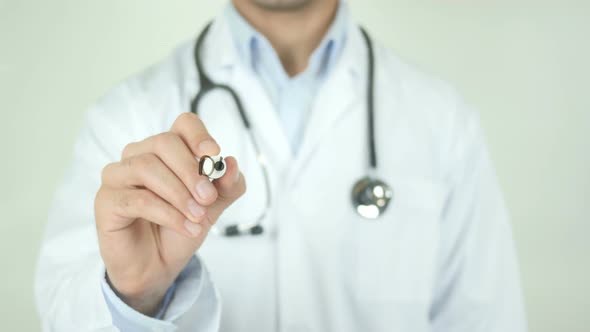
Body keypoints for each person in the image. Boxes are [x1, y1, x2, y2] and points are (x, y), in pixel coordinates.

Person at [35, 0, 527, 331]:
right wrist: (135, 297)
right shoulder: (128, 115)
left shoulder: (441, 121)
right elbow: (60, 314)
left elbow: (487, 319)